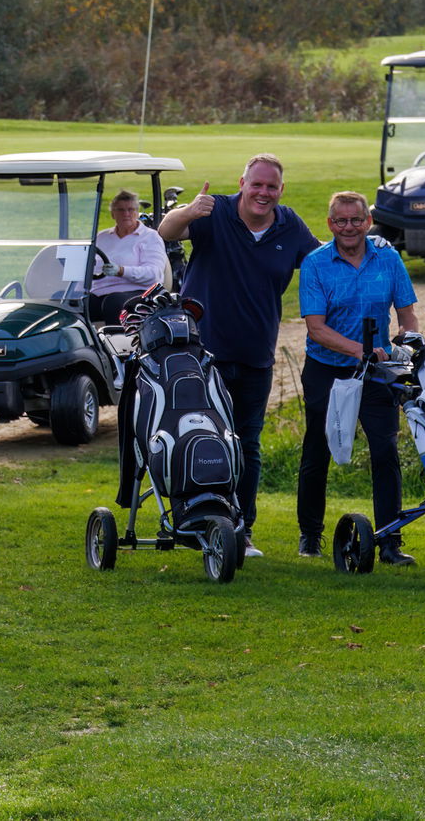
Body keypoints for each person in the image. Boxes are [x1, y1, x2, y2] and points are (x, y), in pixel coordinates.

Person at [159, 154, 320, 558]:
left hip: (255, 355)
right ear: (242, 183)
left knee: (246, 444)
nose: (263, 193)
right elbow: (166, 232)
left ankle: (241, 530)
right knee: (197, 436)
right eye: (257, 184)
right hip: (202, 354)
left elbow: (322, 261)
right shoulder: (214, 212)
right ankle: (197, 521)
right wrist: (188, 211)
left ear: (280, 191)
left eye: (271, 187)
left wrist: (368, 249)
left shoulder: (290, 225)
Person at [295, 191, 419, 565]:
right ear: (330, 224)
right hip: (326, 370)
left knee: (385, 452)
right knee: (318, 451)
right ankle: (310, 536)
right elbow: (316, 328)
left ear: (368, 222)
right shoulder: (315, 264)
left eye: (356, 220)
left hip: (377, 372)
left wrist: (409, 348)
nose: (349, 227)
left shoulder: (388, 257)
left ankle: (390, 543)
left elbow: (408, 317)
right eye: (340, 221)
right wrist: (358, 349)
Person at [89, 189, 168, 325]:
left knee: (113, 303)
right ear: (113, 214)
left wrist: (121, 271)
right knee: (77, 303)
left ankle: (117, 343)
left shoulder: (150, 237)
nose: (126, 214)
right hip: (100, 291)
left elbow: (153, 274)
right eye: (120, 210)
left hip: (140, 291)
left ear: (137, 212)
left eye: (130, 210)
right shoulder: (101, 237)